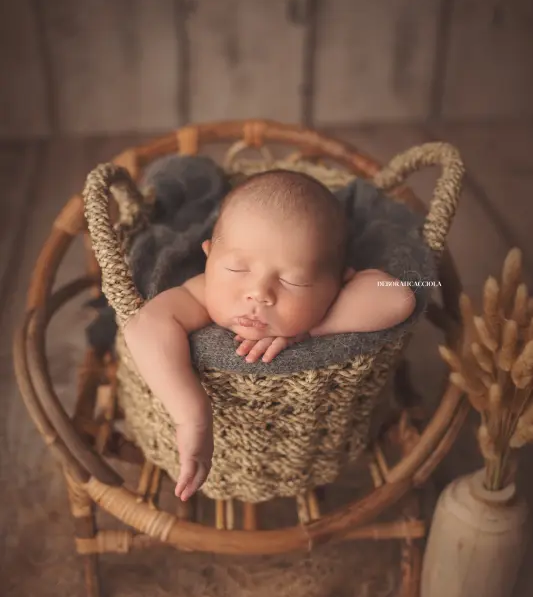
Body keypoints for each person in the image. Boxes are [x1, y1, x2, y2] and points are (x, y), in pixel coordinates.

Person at [123, 170, 415, 502]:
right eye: (236, 269)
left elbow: (399, 297)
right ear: (208, 258)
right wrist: (192, 416)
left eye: (293, 282)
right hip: (231, 450)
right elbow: (144, 327)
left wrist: (314, 328)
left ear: (338, 282)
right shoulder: (202, 295)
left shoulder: (329, 301)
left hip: (306, 444)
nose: (259, 293)